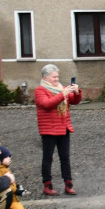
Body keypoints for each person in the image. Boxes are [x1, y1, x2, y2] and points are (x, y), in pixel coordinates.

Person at [34, 64, 82, 196]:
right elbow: (47, 104)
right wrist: (63, 94)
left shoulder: (61, 88)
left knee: (65, 157)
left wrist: (76, 91)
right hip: (48, 129)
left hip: (63, 127)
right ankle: (47, 185)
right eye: (54, 77)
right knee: (48, 158)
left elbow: (74, 101)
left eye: (57, 76)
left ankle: (68, 184)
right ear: (46, 77)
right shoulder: (40, 90)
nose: (56, 79)